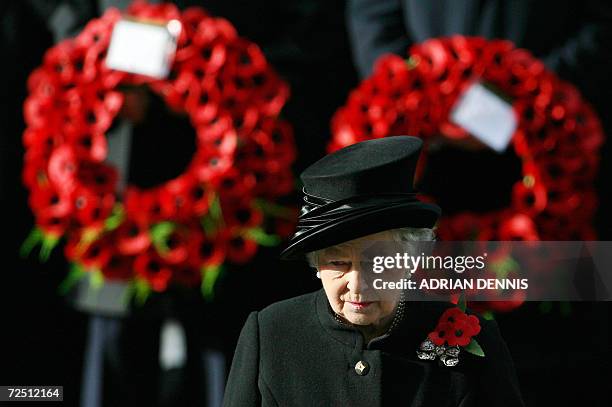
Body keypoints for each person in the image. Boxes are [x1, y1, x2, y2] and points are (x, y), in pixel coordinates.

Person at [222, 136, 525, 406]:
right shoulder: (271, 333)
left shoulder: (472, 341)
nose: (358, 285)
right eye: (339, 263)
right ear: (316, 263)